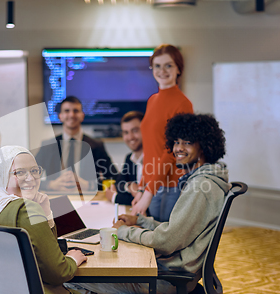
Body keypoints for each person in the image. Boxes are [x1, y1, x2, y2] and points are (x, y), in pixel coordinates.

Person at [70, 113, 231, 294]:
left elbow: (166, 240)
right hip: (174, 272)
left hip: (168, 279)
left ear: (204, 145)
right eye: (176, 141)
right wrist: (141, 221)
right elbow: (176, 229)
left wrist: (124, 231)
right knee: (103, 275)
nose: (178, 148)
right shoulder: (203, 181)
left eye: (187, 142)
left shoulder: (200, 187)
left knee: (73, 278)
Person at [0, 146, 122, 294]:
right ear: (0, 176)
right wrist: (72, 259)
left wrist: (44, 213)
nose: (31, 178)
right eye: (20, 172)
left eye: (35, 170)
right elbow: (57, 272)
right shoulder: (27, 209)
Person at [131, 44, 194, 221]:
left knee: (164, 244)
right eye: (157, 66)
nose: (162, 71)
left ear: (178, 68)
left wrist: (148, 193)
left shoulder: (183, 104)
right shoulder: (152, 100)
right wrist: (143, 188)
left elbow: (173, 152)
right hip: (152, 184)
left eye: (169, 65)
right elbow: (150, 150)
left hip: (171, 186)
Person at [35, 96, 117, 192]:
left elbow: (114, 179)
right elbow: (27, 178)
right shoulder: (48, 146)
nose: (71, 115)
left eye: (76, 111)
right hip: (55, 199)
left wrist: (89, 185)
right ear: (60, 116)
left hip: (87, 200)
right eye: (67, 111)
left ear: (82, 115)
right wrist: (50, 185)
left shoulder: (96, 146)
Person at [105, 111, 144, 205]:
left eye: (135, 130)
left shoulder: (155, 158)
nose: (130, 137)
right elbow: (118, 184)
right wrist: (129, 186)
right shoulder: (130, 158)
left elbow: (144, 200)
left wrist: (115, 197)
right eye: (126, 132)